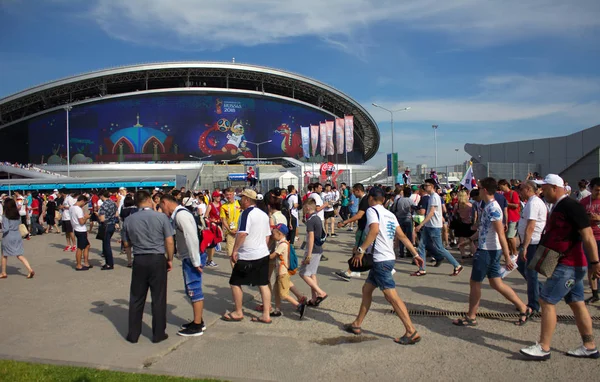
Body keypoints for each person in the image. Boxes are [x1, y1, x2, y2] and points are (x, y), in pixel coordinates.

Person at [520, 174, 600, 360]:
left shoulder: (571, 206)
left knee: (546, 300)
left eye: (545, 188)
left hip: (569, 265)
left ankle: (543, 347)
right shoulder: (559, 206)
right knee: (577, 303)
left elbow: (587, 236)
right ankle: (589, 346)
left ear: (555, 188)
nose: (542, 191)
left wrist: (595, 262)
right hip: (564, 262)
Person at [344, 187, 424, 344]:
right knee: (366, 289)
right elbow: (401, 236)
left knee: (391, 296)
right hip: (384, 259)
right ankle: (357, 324)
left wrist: (361, 250)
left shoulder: (372, 211)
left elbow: (373, 230)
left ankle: (410, 330)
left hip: (380, 260)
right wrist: (415, 254)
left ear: (371, 199)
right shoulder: (390, 214)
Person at [453, 177, 531, 327]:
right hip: (488, 249)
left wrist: (508, 257)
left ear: (485, 190)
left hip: (488, 251)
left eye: (480, 187)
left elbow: (500, 233)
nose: (477, 190)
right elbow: (484, 230)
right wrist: (470, 240)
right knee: (496, 283)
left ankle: (471, 316)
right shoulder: (487, 206)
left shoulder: (493, 208)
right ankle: (523, 308)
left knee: (475, 283)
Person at [123, 190, 174, 344]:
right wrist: (169, 258)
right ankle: (158, 333)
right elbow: (169, 241)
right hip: (157, 258)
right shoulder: (161, 218)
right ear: (148, 200)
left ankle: (133, 334)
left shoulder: (129, 220)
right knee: (158, 297)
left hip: (139, 258)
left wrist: (130, 258)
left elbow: (126, 244)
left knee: (136, 298)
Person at [160, 194, 207, 337]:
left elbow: (191, 237)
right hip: (190, 256)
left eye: (161, 206)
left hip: (192, 257)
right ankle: (197, 320)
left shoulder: (181, 216)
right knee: (190, 289)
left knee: (194, 289)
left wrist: (195, 261)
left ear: (165, 202)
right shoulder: (180, 214)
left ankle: (198, 325)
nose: (161, 210)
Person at [222, 189, 272, 324]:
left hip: (248, 255)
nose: (240, 200)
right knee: (263, 283)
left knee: (235, 282)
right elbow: (267, 236)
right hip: (262, 253)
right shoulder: (263, 214)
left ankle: (238, 312)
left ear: (247, 200)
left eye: (242, 198)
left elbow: (242, 233)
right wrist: (262, 247)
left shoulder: (246, 214)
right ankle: (266, 314)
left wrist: (235, 250)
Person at [413, 179, 463, 277]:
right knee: (422, 246)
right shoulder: (431, 197)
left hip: (434, 226)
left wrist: (421, 224)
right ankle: (422, 269)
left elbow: (431, 212)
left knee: (440, 248)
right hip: (429, 225)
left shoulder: (435, 197)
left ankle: (457, 265)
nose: (425, 187)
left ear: (432, 186)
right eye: (424, 185)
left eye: (426, 185)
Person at [516, 180, 547, 314]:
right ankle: (540, 291)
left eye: (521, 189)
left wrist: (525, 246)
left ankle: (534, 304)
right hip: (530, 241)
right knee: (522, 266)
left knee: (531, 273)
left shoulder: (534, 203)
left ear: (528, 189)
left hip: (533, 242)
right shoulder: (531, 202)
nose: (519, 192)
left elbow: (531, 226)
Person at [270, 223, 306, 319]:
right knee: (277, 292)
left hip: (282, 273)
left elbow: (272, 256)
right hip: (281, 272)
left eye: (273, 233)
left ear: (280, 234)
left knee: (283, 294)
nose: (272, 235)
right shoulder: (283, 243)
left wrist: (261, 256)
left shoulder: (282, 245)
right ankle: (277, 310)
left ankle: (298, 305)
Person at [335, 183, 369, 281]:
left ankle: (351, 271)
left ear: (358, 190)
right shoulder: (363, 199)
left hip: (364, 229)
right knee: (356, 249)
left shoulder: (365, 200)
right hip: (362, 228)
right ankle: (355, 270)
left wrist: (345, 222)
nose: (353, 194)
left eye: (354, 191)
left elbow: (359, 215)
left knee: (358, 250)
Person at [299, 198, 328, 306]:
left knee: (303, 273)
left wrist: (308, 255)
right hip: (318, 249)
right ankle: (314, 298)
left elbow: (310, 238)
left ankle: (321, 293)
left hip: (313, 250)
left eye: (304, 207)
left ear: (307, 207)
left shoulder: (311, 220)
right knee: (312, 274)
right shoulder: (316, 218)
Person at [1, 199, 35, 279]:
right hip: (17, 234)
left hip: (8, 235)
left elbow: (5, 229)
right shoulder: (17, 215)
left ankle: (3, 272)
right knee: (19, 254)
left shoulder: (5, 215)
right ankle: (30, 269)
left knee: (4, 255)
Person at [580, 177, 600, 304]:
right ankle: (595, 293)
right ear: (591, 189)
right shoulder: (584, 201)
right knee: (592, 266)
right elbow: (578, 219)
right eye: (597, 190)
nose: (599, 193)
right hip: (589, 237)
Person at [390, 187, 416, 258]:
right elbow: (415, 207)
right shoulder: (410, 200)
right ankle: (409, 251)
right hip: (408, 218)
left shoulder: (398, 200)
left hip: (399, 218)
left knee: (401, 236)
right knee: (409, 236)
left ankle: (401, 252)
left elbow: (393, 209)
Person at [97, 191, 119, 270]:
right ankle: (108, 262)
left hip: (106, 225)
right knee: (107, 243)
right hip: (112, 224)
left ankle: (109, 263)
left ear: (102, 196)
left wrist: (97, 216)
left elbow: (102, 219)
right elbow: (116, 214)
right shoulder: (113, 203)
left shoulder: (104, 205)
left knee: (106, 245)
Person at [499, 179, 521, 257]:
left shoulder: (513, 193)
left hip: (513, 217)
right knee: (507, 237)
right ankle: (511, 252)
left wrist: (506, 204)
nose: (501, 189)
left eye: (501, 187)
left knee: (511, 236)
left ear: (505, 185)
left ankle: (515, 253)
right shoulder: (503, 195)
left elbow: (516, 205)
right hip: (506, 218)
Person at [70, 195, 93, 271]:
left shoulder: (72, 207)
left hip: (76, 228)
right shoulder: (78, 209)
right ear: (82, 201)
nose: (84, 205)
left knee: (87, 245)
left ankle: (86, 262)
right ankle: (78, 265)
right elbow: (82, 222)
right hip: (80, 229)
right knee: (80, 248)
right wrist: (86, 217)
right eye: (85, 203)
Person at [220, 187, 241, 268]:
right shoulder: (224, 206)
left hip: (240, 231)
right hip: (230, 232)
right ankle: (235, 272)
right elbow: (223, 219)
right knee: (231, 253)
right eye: (227, 195)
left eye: (230, 194)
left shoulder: (239, 203)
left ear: (233, 194)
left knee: (242, 253)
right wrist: (228, 229)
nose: (228, 196)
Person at [120, 195, 137, 268]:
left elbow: (121, 217)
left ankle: (129, 261)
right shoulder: (135, 208)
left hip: (125, 227)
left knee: (127, 245)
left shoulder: (123, 208)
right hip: (134, 227)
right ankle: (136, 260)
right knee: (136, 245)